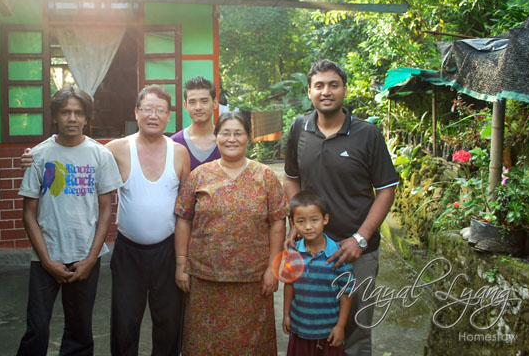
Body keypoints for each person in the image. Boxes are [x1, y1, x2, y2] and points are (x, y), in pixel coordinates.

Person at [283, 59, 399, 356]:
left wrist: (360, 239)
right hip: (310, 251)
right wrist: (296, 225)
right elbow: (291, 178)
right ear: (309, 91)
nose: (326, 91)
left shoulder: (367, 133)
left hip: (356, 250)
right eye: (319, 85)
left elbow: (386, 188)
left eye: (333, 85)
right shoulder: (299, 129)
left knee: (355, 330)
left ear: (344, 90)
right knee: (310, 324)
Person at [17, 86, 123, 356]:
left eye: (78, 113)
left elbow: (106, 211)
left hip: (84, 257)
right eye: (65, 112)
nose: (72, 118)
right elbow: (29, 213)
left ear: (87, 118)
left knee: (79, 330)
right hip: (45, 256)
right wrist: (47, 261)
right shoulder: (38, 156)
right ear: (55, 116)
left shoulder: (101, 155)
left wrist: (90, 259)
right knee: (37, 328)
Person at [174, 111, 287, 355]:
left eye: (238, 133)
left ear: (249, 138)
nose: (231, 139)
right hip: (205, 281)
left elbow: (278, 222)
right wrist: (181, 263)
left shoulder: (265, 176)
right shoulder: (199, 175)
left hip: (253, 282)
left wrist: (273, 268)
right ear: (216, 137)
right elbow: (183, 218)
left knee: (252, 345)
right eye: (225, 133)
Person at [105, 85, 191, 356]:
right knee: (124, 323)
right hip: (128, 251)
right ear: (136, 112)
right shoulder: (116, 149)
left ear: (168, 117)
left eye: (160, 110)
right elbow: (80, 159)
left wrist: (182, 259)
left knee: (168, 324)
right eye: (147, 109)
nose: (153, 115)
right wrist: (34, 159)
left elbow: (187, 209)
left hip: (166, 251)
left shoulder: (179, 152)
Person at [283, 190, 354, 356]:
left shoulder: (337, 255)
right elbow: (289, 285)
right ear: (293, 223)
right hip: (300, 329)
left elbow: (347, 293)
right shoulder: (293, 255)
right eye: (301, 221)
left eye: (314, 220)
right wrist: (286, 315)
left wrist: (340, 327)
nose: (308, 226)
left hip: (329, 333)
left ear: (325, 219)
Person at [170, 76, 220, 171]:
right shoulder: (174, 143)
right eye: (192, 102)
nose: (198, 107)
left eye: (204, 101)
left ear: (215, 103)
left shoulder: (226, 141)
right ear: (185, 105)